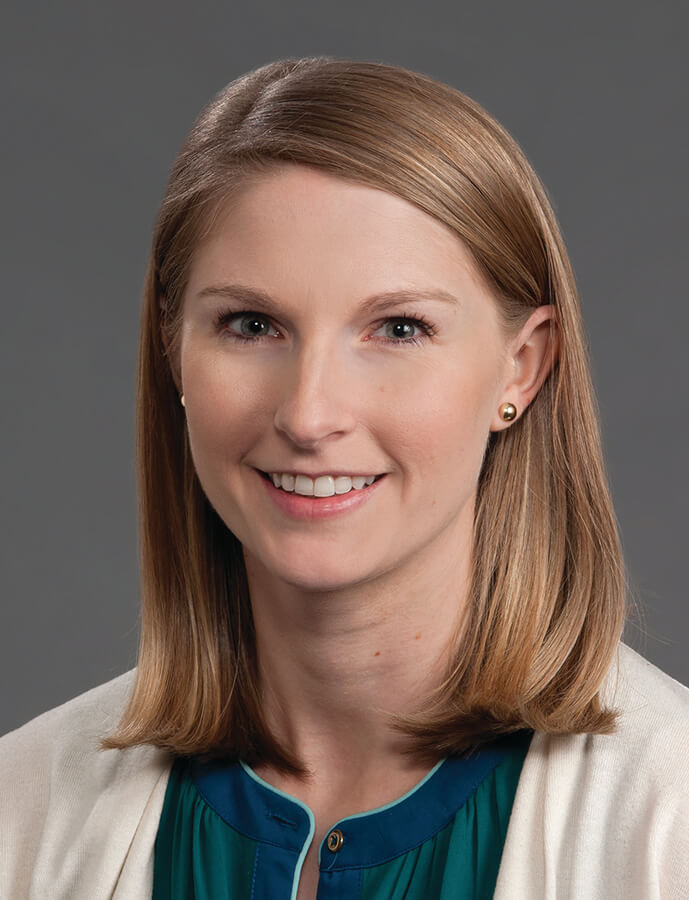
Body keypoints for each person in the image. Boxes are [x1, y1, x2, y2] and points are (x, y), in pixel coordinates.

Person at [1, 56, 687, 900]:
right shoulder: (20, 809)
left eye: (398, 328)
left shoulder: (670, 813)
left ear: (520, 367)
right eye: (251, 324)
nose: (309, 413)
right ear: (171, 346)